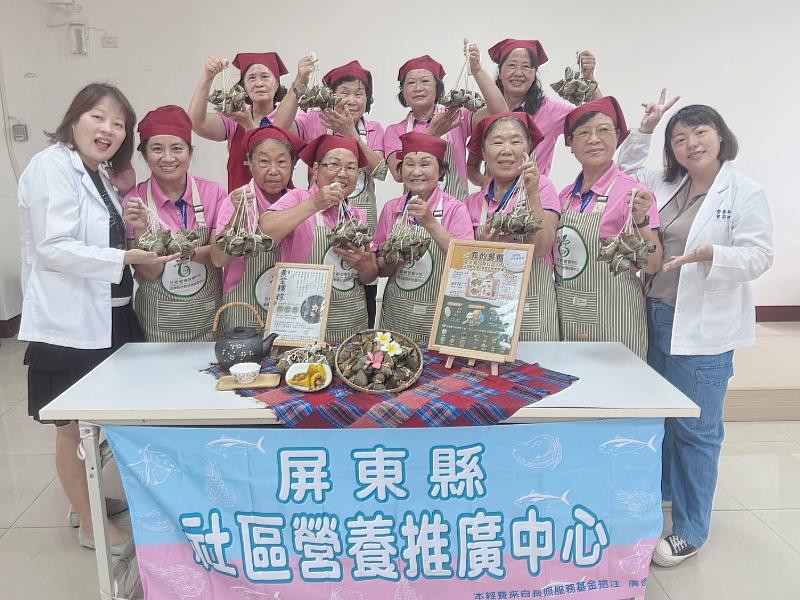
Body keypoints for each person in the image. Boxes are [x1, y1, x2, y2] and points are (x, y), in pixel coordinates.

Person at [18, 83, 177, 555]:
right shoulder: (52, 166)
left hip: (111, 315)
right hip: (70, 323)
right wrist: (124, 256)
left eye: (118, 123)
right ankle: (88, 521)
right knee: (73, 427)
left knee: (99, 421)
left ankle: (86, 497)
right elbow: (52, 246)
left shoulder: (98, 175)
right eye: (97, 117)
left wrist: (134, 235)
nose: (107, 129)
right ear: (73, 119)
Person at [617, 95, 774, 566]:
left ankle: (691, 529)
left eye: (700, 133)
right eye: (679, 138)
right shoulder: (670, 183)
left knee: (697, 430)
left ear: (721, 136)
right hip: (657, 316)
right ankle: (668, 494)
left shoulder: (743, 192)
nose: (690, 144)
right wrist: (647, 126)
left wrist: (714, 256)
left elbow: (760, 256)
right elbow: (624, 165)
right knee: (664, 418)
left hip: (703, 327)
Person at [275, 58, 385, 326]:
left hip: (358, 221)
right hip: (316, 214)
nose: (351, 100)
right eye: (344, 93)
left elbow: (381, 171)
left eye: (359, 94)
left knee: (358, 284)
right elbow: (279, 126)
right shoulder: (314, 120)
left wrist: (351, 133)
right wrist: (300, 80)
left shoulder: (374, 129)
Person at [556, 96, 663, 359]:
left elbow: (651, 265)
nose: (593, 139)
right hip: (568, 312)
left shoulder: (634, 193)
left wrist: (640, 221)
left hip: (614, 314)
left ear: (617, 137)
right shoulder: (565, 196)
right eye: (583, 133)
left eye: (603, 130)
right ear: (570, 143)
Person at [122, 105, 226, 341]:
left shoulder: (213, 193)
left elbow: (219, 255)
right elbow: (151, 270)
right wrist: (140, 230)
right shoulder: (135, 201)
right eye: (157, 149)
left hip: (210, 319)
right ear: (145, 155)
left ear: (189, 153)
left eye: (177, 148)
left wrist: (175, 251)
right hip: (158, 324)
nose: (168, 158)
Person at [260, 135, 377, 343]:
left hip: (350, 321)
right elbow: (266, 230)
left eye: (351, 168)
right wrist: (314, 204)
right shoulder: (297, 198)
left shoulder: (357, 215)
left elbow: (368, 277)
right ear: (316, 169)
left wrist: (367, 266)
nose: (343, 173)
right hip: (304, 322)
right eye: (334, 165)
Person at [464, 112, 560, 341]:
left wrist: (533, 193)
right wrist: (485, 248)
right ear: (485, 154)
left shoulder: (543, 187)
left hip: (532, 305)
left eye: (516, 141)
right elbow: (465, 263)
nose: (507, 150)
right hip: (486, 309)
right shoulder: (473, 203)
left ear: (528, 149)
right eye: (497, 142)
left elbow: (541, 248)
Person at [373, 132, 474, 340]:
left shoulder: (455, 209)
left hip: (440, 314)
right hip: (397, 313)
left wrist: (430, 223)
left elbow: (466, 261)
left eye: (425, 164)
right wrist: (394, 259)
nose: (416, 171)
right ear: (401, 171)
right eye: (409, 164)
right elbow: (381, 270)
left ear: (441, 173)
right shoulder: (392, 208)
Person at [384, 41, 508, 200]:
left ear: (438, 89)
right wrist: (432, 135)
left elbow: (500, 112)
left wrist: (477, 70)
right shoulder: (395, 131)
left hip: (457, 212)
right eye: (411, 83)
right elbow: (398, 174)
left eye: (425, 81)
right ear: (404, 94)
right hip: (415, 213)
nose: (418, 88)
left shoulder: (455, 116)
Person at [468, 39, 602, 184]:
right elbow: (472, 167)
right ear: (500, 72)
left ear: (534, 74)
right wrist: (486, 183)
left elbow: (596, 117)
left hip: (537, 198)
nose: (518, 73)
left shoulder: (550, 111)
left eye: (526, 67)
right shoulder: (485, 114)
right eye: (512, 65)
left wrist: (589, 78)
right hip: (495, 200)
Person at [210, 125, 306, 329]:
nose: (273, 171)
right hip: (244, 305)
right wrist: (237, 215)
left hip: (289, 306)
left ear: (292, 165)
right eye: (263, 161)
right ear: (250, 164)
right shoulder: (235, 201)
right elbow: (218, 260)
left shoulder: (302, 203)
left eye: (281, 162)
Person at [188, 52, 288, 190]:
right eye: (251, 78)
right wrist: (208, 77)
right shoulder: (235, 119)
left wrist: (248, 124)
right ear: (244, 88)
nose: (259, 83)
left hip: (281, 206)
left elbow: (267, 151)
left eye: (265, 77)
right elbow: (197, 123)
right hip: (240, 204)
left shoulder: (287, 120)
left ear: (277, 84)